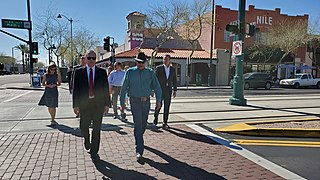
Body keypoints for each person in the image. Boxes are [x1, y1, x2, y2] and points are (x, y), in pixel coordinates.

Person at [120, 52, 162, 161]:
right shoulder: (130, 72)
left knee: (143, 124)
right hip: (135, 102)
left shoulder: (150, 73)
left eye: (142, 62)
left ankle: (139, 138)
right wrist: (122, 104)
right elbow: (124, 88)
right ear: (136, 62)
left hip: (146, 102)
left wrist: (158, 100)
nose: (140, 64)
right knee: (138, 124)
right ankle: (139, 150)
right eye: (139, 62)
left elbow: (157, 86)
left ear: (146, 62)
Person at [72, 50, 110, 162]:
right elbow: (75, 90)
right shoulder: (78, 72)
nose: (92, 60)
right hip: (85, 104)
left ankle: (94, 151)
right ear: (85, 58)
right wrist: (75, 105)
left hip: (98, 104)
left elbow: (105, 89)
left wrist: (107, 104)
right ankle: (86, 139)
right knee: (83, 126)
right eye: (89, 58)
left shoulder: (102, 72)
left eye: (94, 58)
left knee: (97, 128)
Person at [154, 54, 177, 129]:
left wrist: (175, 90)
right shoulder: (159, 68)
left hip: (168, 90)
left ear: (169, 60)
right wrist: (154, 89)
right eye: (164, 59)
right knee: (159, 105)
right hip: (160, 90)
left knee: (167, 106)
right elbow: (155, 79)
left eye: (166, 59)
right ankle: (156, 116)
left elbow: (174, 80)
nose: (165, 60)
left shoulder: (173, 69)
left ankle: (165, 122)